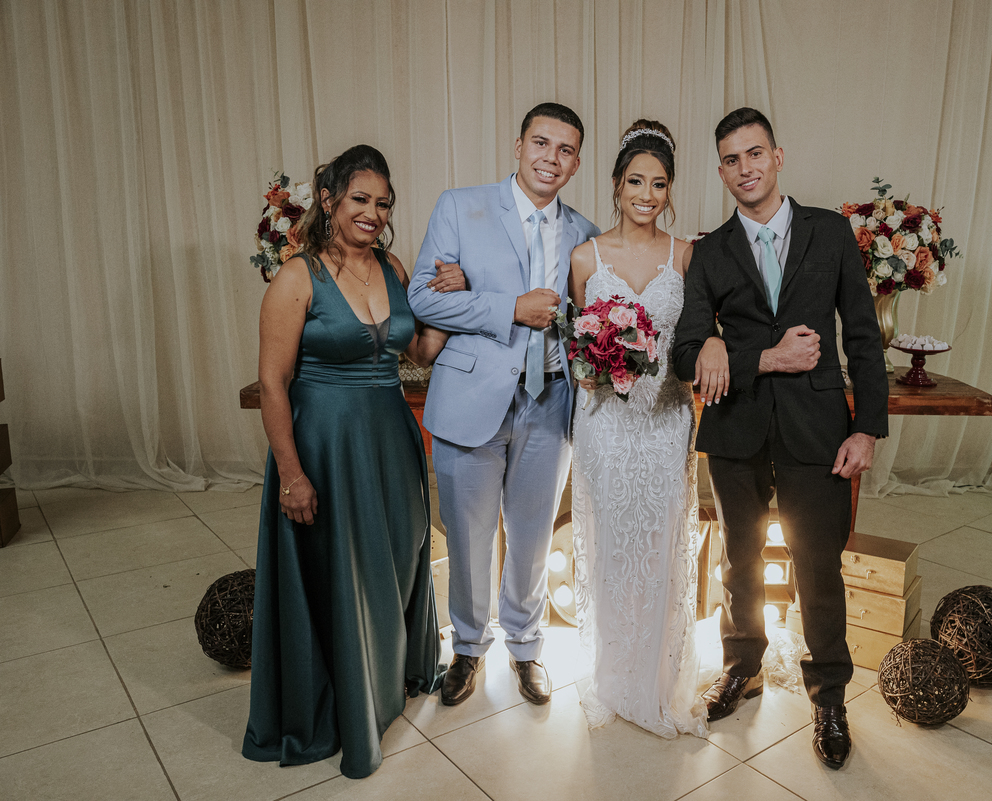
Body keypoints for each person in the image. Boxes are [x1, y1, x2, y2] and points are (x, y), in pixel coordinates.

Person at [673, 108, 889, 769]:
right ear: (720, 171)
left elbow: (862, 335)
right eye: (731, 159)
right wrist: (750, 352)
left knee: (817, 564)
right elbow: (685, 349)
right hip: (735, 429)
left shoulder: (830, 231)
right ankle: (742, 666)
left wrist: (867, 427)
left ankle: (829, 694)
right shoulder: (709, 251)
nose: (746, 168)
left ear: (778, 156)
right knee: (738, 561)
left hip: (817, 428)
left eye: (755, 153)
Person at [243, 144, 460, 780]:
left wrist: (451, 299)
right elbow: (273, 383)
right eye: (360, 199)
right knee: (343, 573)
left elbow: (418, 351)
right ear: (329, 200)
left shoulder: (391, 266)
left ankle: (387, 683)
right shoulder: (297, 277)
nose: (373, 212)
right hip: (325, 447)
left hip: (391, 440)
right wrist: (291, 475)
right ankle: (345, 707)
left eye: (383, 203)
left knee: (397, 562)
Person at [407, 102, 601, 708]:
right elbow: (422, 298)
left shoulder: (586, 233)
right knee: (468, 535)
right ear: (518, 146)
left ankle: (526, 644)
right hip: (472, 396)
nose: (551, 158)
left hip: (551, 400)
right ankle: (468, 647)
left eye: (566, 150)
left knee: (534, 534)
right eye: (541, 143)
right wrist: (508, 307)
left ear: (576, 163)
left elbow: (590, 322)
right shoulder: (459, 207)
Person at [567, 119, 727, 738]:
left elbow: (702, 331)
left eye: (659, 184)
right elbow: (575, 339)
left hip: (664, 419)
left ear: (669, 190)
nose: (647, 195)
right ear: (616, 184)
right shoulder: (586, 257)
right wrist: (588, 368)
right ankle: (611, 673)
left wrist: (712, 342)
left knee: (660, 544)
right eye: (636, 181)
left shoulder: (687, 256)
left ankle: (657, 677)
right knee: (611, 544)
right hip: (605, 424)